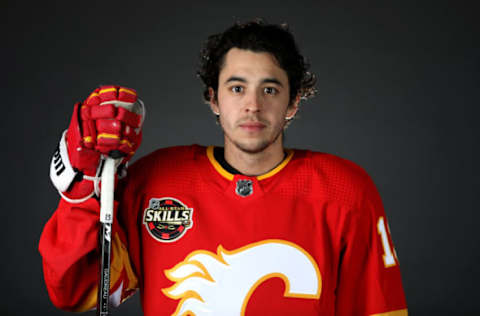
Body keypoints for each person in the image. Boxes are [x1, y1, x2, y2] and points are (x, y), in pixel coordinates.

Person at [39, 20, 408, 316]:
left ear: (293, 102)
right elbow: (77, 291)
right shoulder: (156, 181)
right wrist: (83, 193)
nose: (252, 105)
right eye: (236, 88)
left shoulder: (344, 190)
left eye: (270, 89)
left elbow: (377, 309)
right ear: (213, 98)